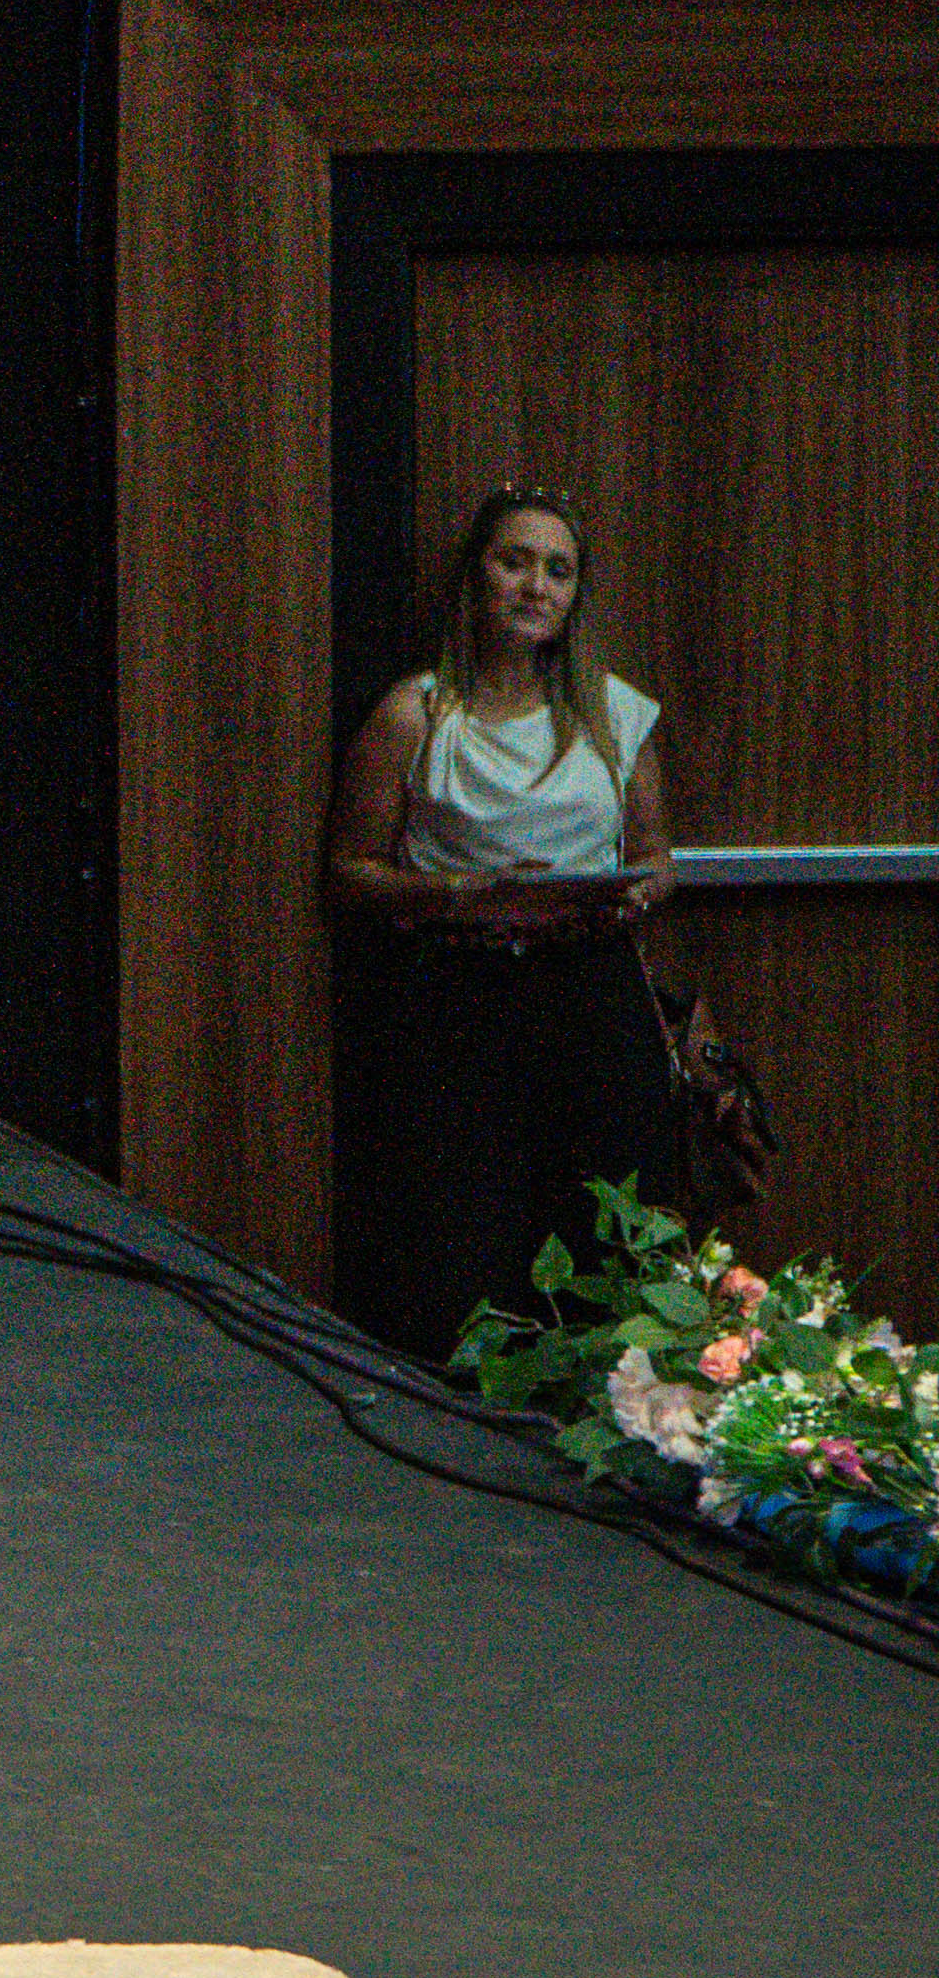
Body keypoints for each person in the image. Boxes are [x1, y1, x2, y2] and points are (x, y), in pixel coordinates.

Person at [322, 485, 708, 1359]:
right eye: (515, 561)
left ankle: (609, 1423)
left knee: (607, 1225)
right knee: (459, 1238)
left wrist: (618, 894)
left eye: (558, 570)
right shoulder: (414, 713)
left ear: (576, 596)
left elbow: (659, 861)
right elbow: (348, 875)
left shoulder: (617, 713)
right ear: (475, 579)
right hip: (455, 998)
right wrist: (462, 893)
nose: (537, 586)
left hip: (590, 990)